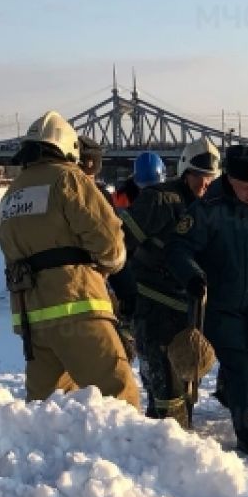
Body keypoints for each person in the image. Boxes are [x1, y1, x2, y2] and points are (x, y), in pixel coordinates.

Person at [0, 110, 140, 407]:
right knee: (118, 397)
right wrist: (109, 267)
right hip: (78, 306)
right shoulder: (69, 179)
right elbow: (110, 243)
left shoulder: (10, 195)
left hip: (32, 318)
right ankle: (125, 452)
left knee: (48, 409)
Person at [168, 144, 248, 455]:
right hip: (219, 305)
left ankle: (231, 394)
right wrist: (192, 276)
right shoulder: (207, 212)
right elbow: (179, 249)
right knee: (239, 366)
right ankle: (244, 429)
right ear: (230, 181)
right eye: (246, 188)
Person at [126, 136, 220, 429]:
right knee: (164, 385)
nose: (203, 185)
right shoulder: (158, 199)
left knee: (188, 381)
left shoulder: (213, 209)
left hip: (189, 310)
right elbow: (121, 245)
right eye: (198, 178)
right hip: (153, 307)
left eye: (209, 179)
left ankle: (175, 436)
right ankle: (167, 445)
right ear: (185, 172)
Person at [78, 135, 139, 364]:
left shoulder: (53, 193)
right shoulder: (99, 196)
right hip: (93, 287)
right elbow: (113, 250)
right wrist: (128, 293)